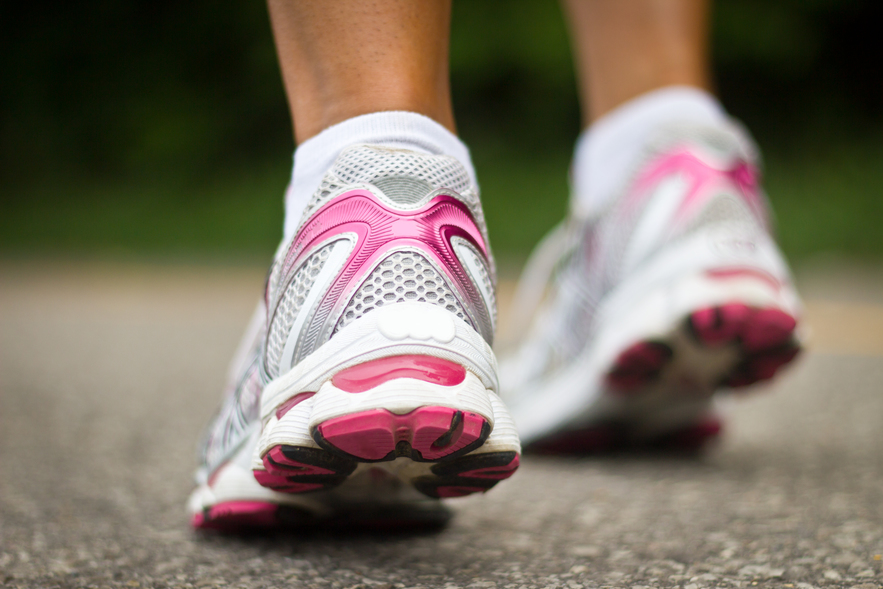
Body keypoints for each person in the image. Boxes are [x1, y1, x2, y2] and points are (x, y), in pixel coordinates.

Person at [188, 0, 802, 530]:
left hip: (354, 276)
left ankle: (366, 194)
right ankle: (671, 176)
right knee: (653, 112)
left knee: (372, 135)